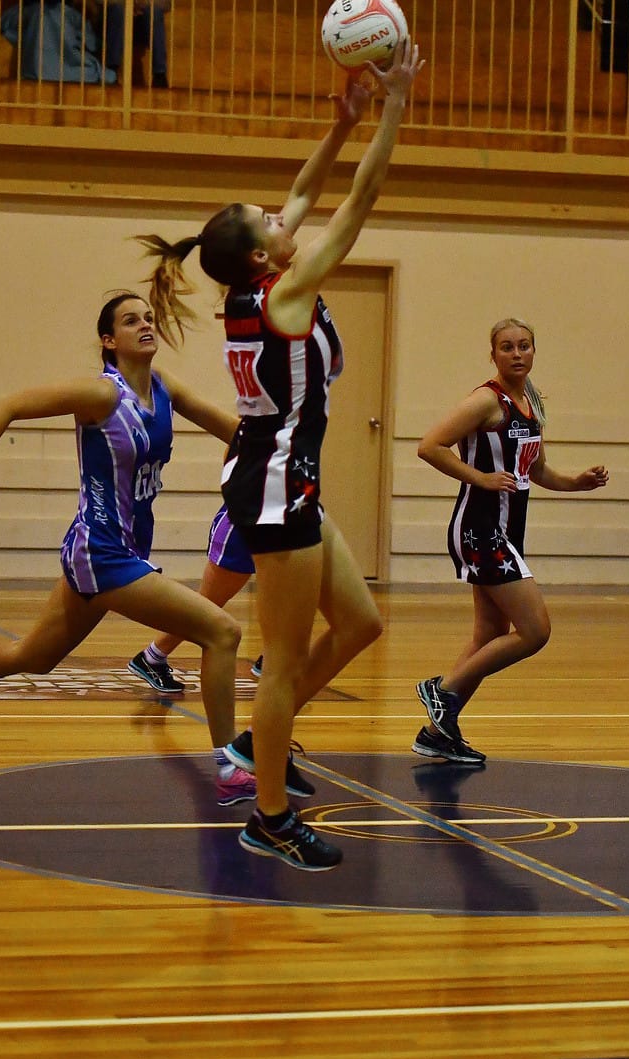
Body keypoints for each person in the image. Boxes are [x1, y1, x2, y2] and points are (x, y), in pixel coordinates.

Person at [135, 40, 424, 871]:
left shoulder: (254, 279)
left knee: (361, 624)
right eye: (268, 223)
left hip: (278, 471)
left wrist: (340, 125)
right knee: (288, 661)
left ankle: (275, 720)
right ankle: (266, 810)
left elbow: (303, 192)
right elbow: (357, 203)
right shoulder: (286, 290)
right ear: (265, 256)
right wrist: (396, 105)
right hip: (273, 483)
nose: (280, 215)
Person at [0, 292, 256, 806]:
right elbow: (9, 406)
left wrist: (281, 445)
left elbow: (236, 432)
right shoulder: (102, 395)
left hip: (113, 551)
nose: (145, 324)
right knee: (222, 631)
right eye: (131, 321)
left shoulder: (166, 390)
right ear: (110, 341)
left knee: (34, 656)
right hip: (101, 554)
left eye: (149, 317)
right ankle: (229, 766)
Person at [410, 318, 609, 763]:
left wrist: (576, 482)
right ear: (493, 354)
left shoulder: (531, 401)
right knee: (535, 631)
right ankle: (441, 691)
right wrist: (479, 476)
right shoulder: (485, 401)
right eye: (506, 347)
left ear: (535, 351)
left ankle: (437, 732)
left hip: (506, 530)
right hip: (480, 529)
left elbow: (535, 471)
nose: (517, 354)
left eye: (524, 346)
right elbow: (430, 446)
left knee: (491, 631)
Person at [127, 503, 262, 696]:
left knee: (290, 587)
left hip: (280, 521)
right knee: (206, 607)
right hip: (245, 520)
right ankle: (152, 656)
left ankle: (275, 656)